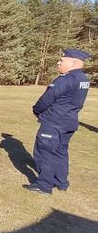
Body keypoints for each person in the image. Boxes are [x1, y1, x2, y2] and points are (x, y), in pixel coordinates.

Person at [25, 49, 91, 195]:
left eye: (62, 60)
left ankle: (43, 185)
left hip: (54, 122)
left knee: (45, 152)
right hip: (69, 122)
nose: (58, 63)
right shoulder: (83, 79)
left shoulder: (66, 79)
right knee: (61, 152)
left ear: (73, 62)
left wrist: (36, 110)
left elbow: (47, 99)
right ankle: (61, 182)